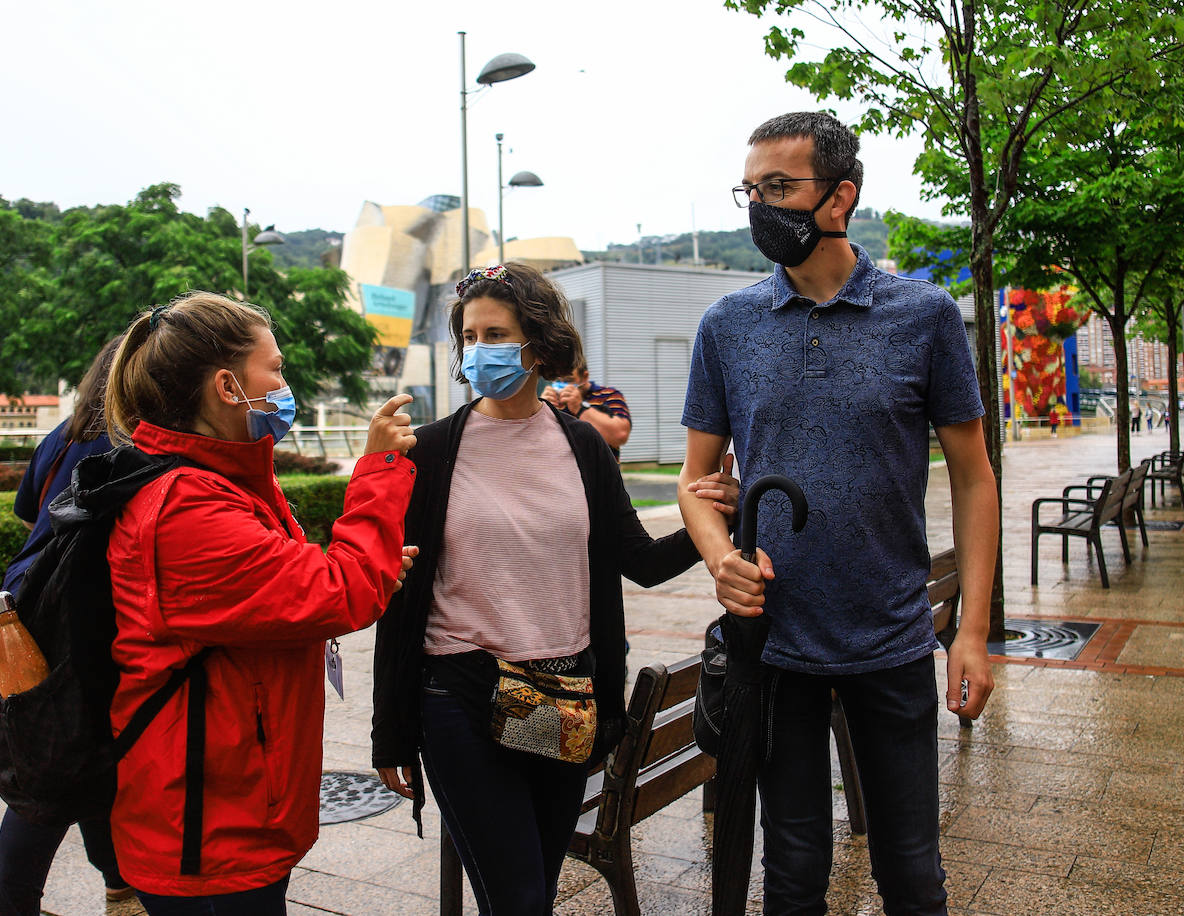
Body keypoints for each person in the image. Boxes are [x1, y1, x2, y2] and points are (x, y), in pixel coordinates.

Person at [678, 112, 999, 915]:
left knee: (913, 876)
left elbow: (973, 475)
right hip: (774, 646)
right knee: (790, 878)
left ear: (840, 195)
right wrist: (721, 557)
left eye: (779, 187)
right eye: (750, 189)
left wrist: (969, 633)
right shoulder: (726, 327)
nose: (760, 206)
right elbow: (694, 481)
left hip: (891, 637)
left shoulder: (923, 317)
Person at [370, 263, 737, 916]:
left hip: (561, 697)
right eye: (470, 336)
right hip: (459, 696)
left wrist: (711, 518)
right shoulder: (430, 452)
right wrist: (389, 733)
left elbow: (642, 563)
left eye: (496, 334)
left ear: (538, 346)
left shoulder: (583, 449)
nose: (479, 350)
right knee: (516, 899)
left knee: (535, 888)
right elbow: (399, 597)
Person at [102, 291, 418, 914]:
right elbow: (337, 592)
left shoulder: (221, 478)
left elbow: (293, 585)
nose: (283, 383)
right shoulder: (187, 508)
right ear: (227, 385)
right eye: (273, 369)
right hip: (206, 828)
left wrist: (366, 562)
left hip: (235, 802)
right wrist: (378, 469)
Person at [0, 336, 132, 915]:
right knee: (48, 781)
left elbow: (29, 514)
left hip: (28, 620)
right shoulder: (133, 449)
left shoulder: (62, 437)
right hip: (87, 627)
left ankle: (121, 888)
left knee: (77, 759)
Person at [540, 357, 632, 457]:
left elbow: (620, 435)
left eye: (569, 380)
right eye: (558, 380)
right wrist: (541, 409)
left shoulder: (609, 395)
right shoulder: (553, 399)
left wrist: (580, 407)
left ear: (585, 377)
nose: (562, 386)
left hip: (599, 470)